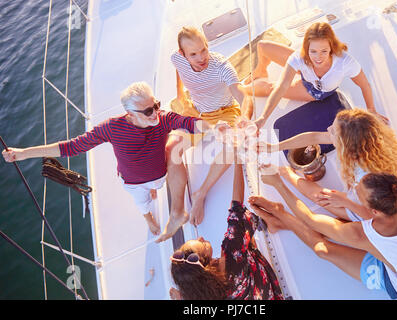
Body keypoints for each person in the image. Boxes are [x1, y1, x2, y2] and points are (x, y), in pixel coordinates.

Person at [2, 82, 210, 243]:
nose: (155, 113)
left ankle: (176, 212)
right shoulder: (112, 128)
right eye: (148, 111)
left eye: (156, 105)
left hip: (161, 173)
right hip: (134, 182)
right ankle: (148, 217)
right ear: (130, 114)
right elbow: (72, 147)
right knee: (143, 204)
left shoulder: (162, 118)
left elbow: (186, 122)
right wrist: (23, 154)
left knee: (177, 143)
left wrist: (214, 127)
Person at [250, 169, 397, 300]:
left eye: (357, 194)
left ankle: (281, 217)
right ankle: (279, 221)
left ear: (374, 212)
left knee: (322, 249)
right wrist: (349, 203)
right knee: (339, 228)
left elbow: (310, 218)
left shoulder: (362, 235)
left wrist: (279, 184)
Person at [259, 108, 397, 223]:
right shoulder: (370, 140)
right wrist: (272, 147)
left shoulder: (365, 179)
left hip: (383, 211)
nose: (328, 130)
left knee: (320, 197)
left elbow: (374, 214)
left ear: (345, 145)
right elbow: (314, 136)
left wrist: (345, 201)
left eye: (333, 131)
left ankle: (287, 174)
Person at [169, 26, 254, 226]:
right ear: (183, 54)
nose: (201, 57)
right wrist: (181, 97)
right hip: (197, 114)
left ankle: (201, 192)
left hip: (226, 111)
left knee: (233, 147)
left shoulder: (222, 66)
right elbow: (179, 72)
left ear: (207, 45)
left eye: (203, 50)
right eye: (193, 54)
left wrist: (244, 117)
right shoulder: (177, 58)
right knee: (171, 149)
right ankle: (177, 210)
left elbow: (243, 96)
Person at [169, 160, 284, 300]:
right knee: (241, 229)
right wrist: (237, 161)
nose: (201, 238)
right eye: (202, 244)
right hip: (260, 286)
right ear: (207, 266)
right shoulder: (231, 252)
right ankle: (264, 225)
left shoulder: (201, 293)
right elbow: (237, 206)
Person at [242, 22, 388, 129]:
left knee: (270, 87)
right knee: (262, 46)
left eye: (324, 51)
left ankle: (242, 90)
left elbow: (364, 85)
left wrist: (371, 110)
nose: (318, 58)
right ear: (306, 48)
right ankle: (261, 70)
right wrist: (263, 118)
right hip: (306, 71)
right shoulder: (299, 57)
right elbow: (283, 85)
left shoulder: (345, 62)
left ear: (332, 47)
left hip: (314, 89)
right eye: (313, 51)